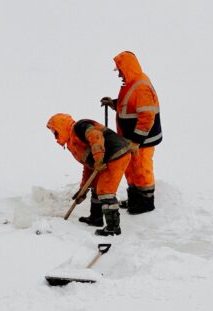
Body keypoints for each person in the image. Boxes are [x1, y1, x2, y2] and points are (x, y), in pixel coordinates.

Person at [46, 113, 131, 236]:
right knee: (96, 187)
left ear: (61, 126)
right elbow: (88, 167)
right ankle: (96, 218)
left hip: (116, 154)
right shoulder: (72, 143)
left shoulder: (79, 127)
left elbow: (96, 136)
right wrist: (83, 190)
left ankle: (113, 228)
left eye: (55, 131)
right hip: (105, 158)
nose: (55, 136)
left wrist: (98, 159)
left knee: (105, 191)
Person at [100, 51, 162, 215]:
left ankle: (145, 203)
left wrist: (136, 140)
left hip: (142, 140)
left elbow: (146, 117)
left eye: (119, 69)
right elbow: (129, 106)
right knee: (132, 169)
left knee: (141, 169)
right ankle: (135, 199)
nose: (118, 73)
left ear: (127, 68)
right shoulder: (131, 83)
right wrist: (114, 103)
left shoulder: (140, 86)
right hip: (131, 139)